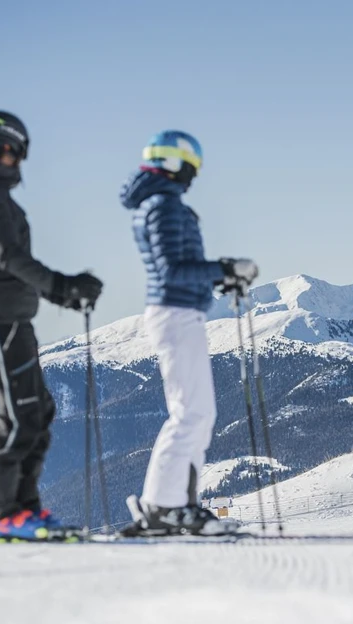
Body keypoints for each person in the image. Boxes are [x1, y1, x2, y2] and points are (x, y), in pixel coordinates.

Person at [0, 110, 104, 539]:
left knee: (38, 411)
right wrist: (61, 286)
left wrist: (61, 291)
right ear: (8, 147)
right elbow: (8, 257)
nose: (21, 159)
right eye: (19, 150)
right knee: (20, 416)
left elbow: (10, 262)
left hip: (12, 318)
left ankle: (21, 508)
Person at [119, 130, 257, 536]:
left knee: (195, 412)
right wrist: (226, 269)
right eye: (191, 166)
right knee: (192, 413)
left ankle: (170, 505)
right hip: (176, 314)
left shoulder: (159, 204)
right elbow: (172, 271)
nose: (194, 175)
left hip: (179, 310)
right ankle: (167, 506)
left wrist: (218, 277)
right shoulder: (163, 206)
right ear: (175, 164)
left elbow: (177, 268)